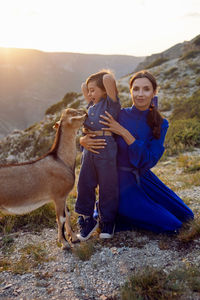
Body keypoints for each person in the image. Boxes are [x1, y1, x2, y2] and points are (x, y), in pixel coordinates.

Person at [79, 70, 194, 234]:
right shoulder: (118, 114)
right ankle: (114, 211)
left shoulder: (161, 123)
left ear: (154, 92)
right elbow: (93, 129)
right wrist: (82, 140)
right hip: (118, 180)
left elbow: (150, 159)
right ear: (130, 91)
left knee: (187, 215)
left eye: (146, 89)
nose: (140, 94)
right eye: (136, 89)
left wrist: (124, 132)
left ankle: (127, 213)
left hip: (143, 177)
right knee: (173, 226)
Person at [75, 70, 121, 241]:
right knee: (84, 184)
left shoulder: (111, 104)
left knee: (107, 186)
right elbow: (84, 90)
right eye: (88, 91)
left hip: (106, 149)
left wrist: (102, 77)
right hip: (88, 151)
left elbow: (108, 79)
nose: (89, 94)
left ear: (104, 90)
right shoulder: (90, 107)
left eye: (93, 90)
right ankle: (87, 219)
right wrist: (89, 88)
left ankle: (107, 221)